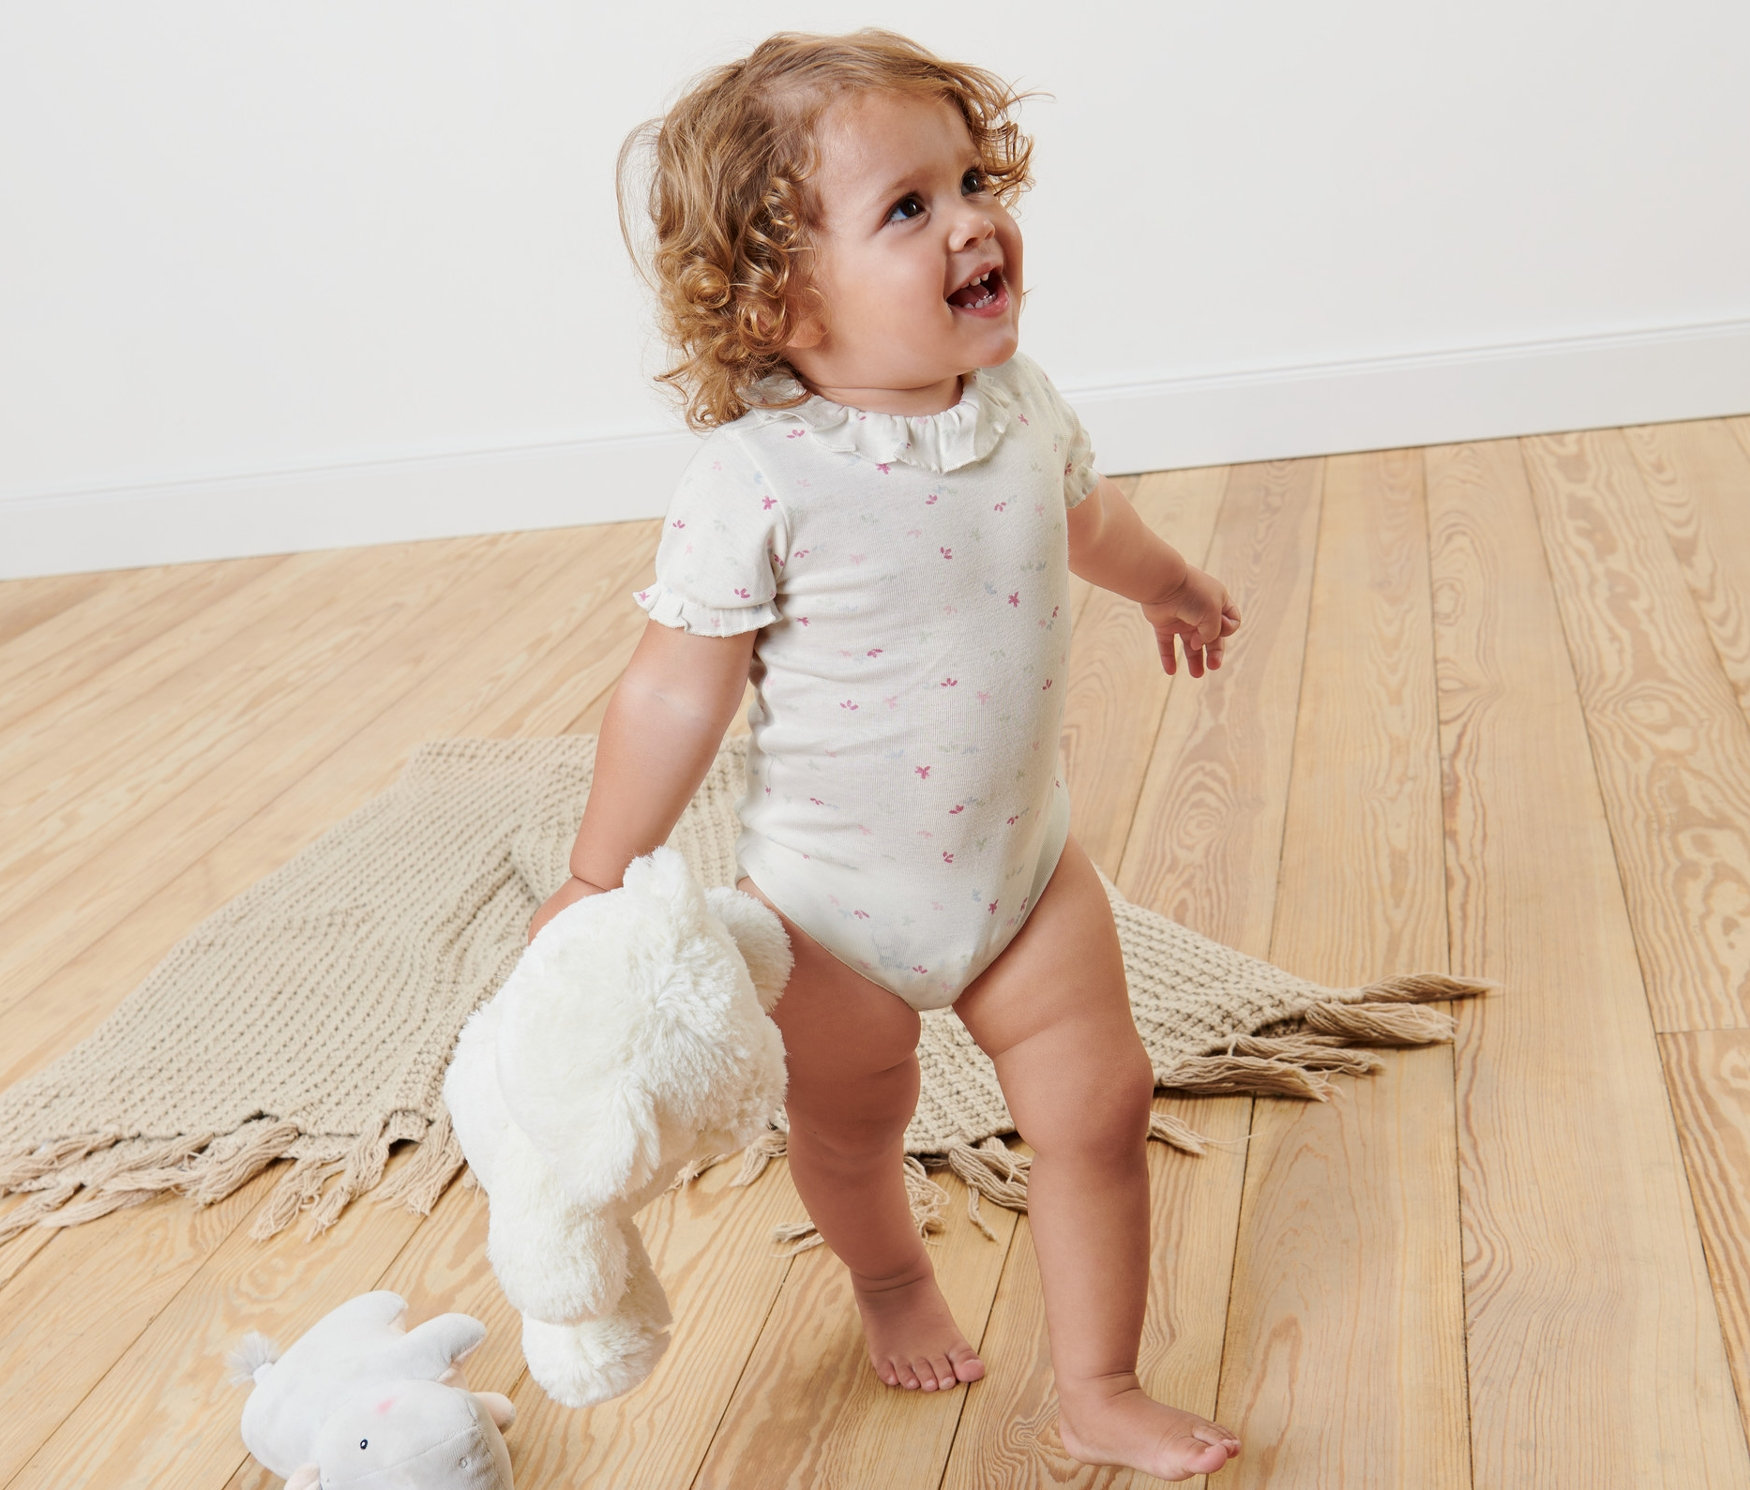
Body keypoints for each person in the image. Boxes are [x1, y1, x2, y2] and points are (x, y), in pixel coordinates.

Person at [531, 30, 1242, 1481]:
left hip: (1022, 874)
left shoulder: (1024, 406)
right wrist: (598, 870)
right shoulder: (756, 479)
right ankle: (885, 1275)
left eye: (971, 179)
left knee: (1098, 1109)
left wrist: (1164, 579)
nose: (973, 219)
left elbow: (1084, 521)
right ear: (776, 296)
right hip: (831, 909)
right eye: (906, 209)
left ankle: (1098, 1380)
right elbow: (674, 691)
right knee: (853, 1129)